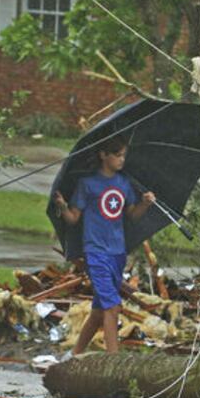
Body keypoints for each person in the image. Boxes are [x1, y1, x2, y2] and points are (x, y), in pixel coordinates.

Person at [53, 135, 155, 355]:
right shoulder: (87, 185)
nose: (121, 160)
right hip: (95, 252)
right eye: (117, 155)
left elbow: (132, 215)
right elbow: (73, 218)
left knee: (100, 310)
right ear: (103, 155)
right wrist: (62, 206)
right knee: (112, 306)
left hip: (118, 253)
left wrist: (145, 204)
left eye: (123, 156)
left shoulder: (124, 184)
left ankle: (76, 353)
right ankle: (113, 359)